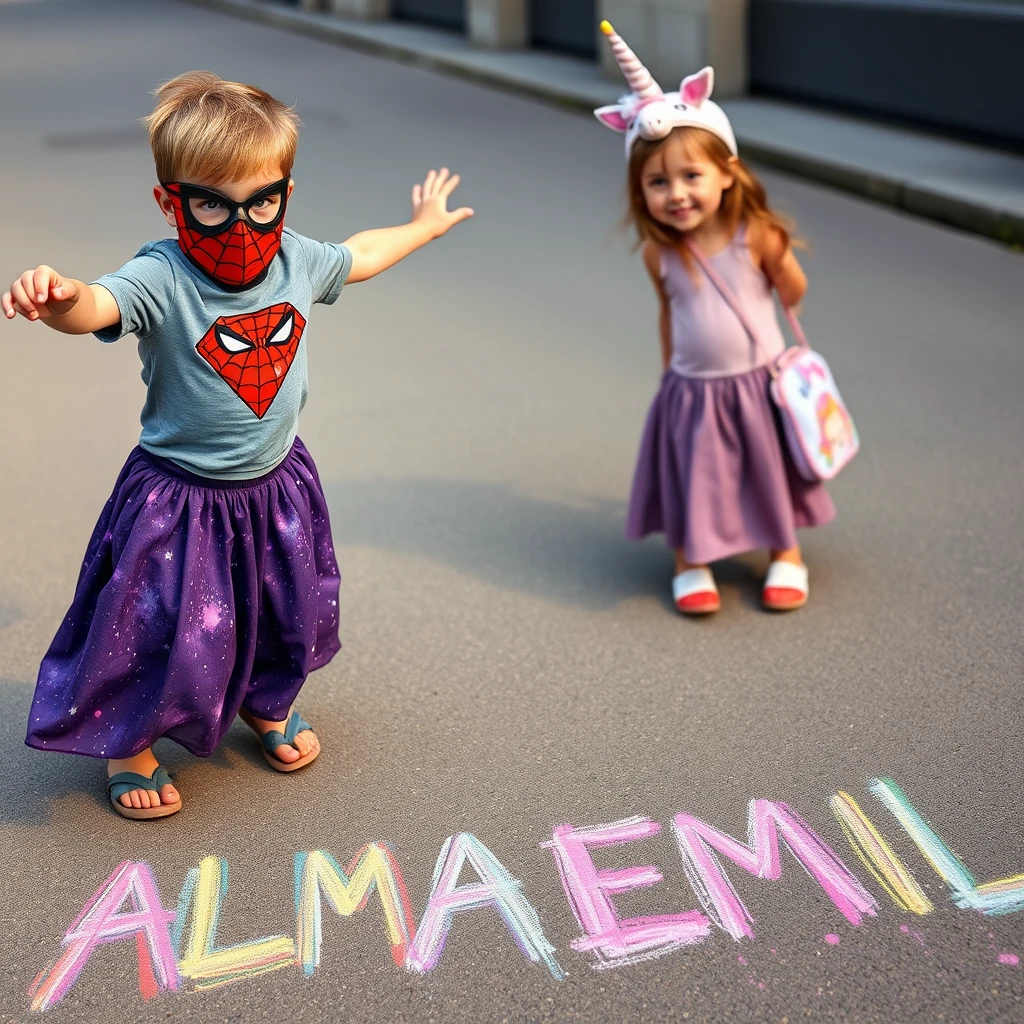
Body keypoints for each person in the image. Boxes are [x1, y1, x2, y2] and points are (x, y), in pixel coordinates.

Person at [3, 71, 473, 819]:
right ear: (171, 201)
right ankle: (129, 741)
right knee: (153, 625)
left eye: (263, 201)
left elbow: (362, 252)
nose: (242, 224)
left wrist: (424, 225)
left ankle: (266, 700)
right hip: (179, 497)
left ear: (286, 190)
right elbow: (100, 302)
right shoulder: (161, 274)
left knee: (281, 603)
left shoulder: (295, 259)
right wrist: (59, 295)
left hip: (276, 484)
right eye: (212, 205)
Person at [594, 22, 834, 616]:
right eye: (657, 182)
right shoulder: (661, 253)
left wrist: (781, 256)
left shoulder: (756, 236)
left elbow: (793, 294)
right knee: (694, 478)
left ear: (727, 173)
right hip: (691, 387)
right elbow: (668, 314)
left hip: (756, 382)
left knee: (766, 470)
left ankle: (786, 552)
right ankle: (691, 560)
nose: (676, 192)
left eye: (691, 176)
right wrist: (668, 375)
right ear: (640, 191)